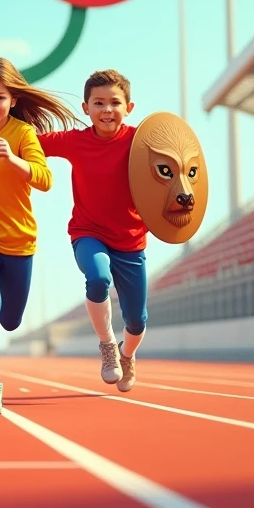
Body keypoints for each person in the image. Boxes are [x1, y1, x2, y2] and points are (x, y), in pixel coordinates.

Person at [0, 56, 78, 415]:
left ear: (13, 100)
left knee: (10, 319)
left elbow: (45, 178)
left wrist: (13, 160)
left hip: (19, 239)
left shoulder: (22, 134)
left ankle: (3, 326)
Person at [39, 69, 147, 391]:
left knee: (137, 320)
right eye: (98, 103)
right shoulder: (76, 141)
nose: (107, 110)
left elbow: (178, 168)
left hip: (131, 239)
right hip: (89, 232)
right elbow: (30, 144)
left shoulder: (141, 141)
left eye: (115, 102)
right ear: (86, 108)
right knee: (98, 277)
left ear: (129, 107)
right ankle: (108, 347)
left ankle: (128, 355)